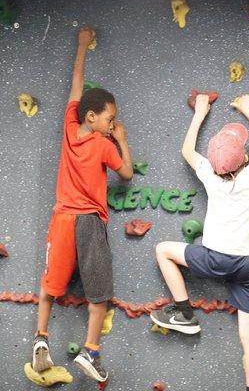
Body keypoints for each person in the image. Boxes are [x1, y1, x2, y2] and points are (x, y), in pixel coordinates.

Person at [32, 27, 133, 383]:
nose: (112, 124)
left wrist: (81, 46)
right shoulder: (106, 145)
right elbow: (126, 174)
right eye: (109, 119)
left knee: (50, 285)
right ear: (93, 117)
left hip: (61, 219)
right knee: (99, 293)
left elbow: (77, 83)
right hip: (88, 221)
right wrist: (121, 140)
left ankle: (41, 338)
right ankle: (91, 352)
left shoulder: (69, 128)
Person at [150, 94, 249, 391]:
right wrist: (248, 110)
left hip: (214, 259)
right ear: (244, 158)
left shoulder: (210, 177)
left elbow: (187, 149)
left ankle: (184, 311)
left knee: (163, 250)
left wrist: (200, 112)